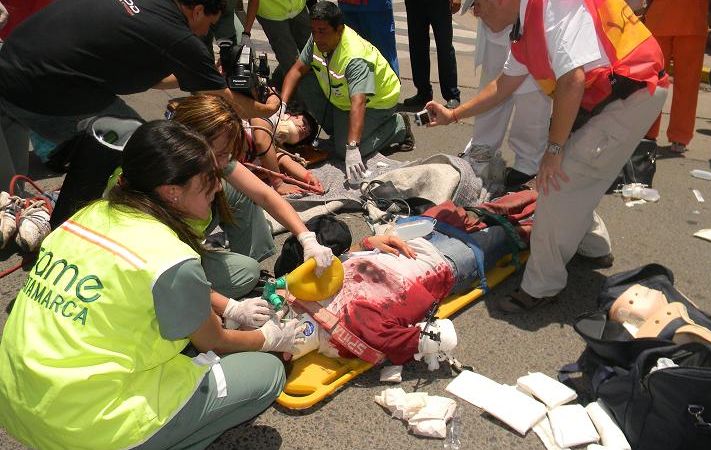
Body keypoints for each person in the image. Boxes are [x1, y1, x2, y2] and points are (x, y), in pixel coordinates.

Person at [0, 120, 304, 450]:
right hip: (87, 428)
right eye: (208, 181)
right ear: (171, 191)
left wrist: (226, 309)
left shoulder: (86, 216)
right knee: (266, 372)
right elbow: (213, 342)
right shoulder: (170, 256)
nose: (219, 188)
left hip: (18, 403)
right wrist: (270, 337)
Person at [427, 0, 668, 311]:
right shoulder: (526, 26)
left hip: (631, 90)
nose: (476, 15)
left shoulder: (548, 7)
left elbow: (572, 80)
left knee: (557, 184)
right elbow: (503, 85)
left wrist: (553, 151)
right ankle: (594, 247)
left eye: (477, 6)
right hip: (615, 93)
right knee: (574, 179)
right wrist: (454, 114)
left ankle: (541, 287)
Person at [0, 0, 280, 191]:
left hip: (11, 60)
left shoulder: (150, 8)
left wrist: (200, 78)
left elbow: (157, 78)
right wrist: (268, 110)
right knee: (145, 151)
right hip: (41, 88)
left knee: (10, 189)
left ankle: (16, 210)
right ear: (196, 11)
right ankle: (73, 222)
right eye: (209, 23)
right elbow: (228, 103)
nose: (207, 32)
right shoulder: (179, 37)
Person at [271, 191, 535, 366]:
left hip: (404, 240)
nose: (278, 308)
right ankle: (554, 214)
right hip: (443, 262)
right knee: (511, 233)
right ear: (288, 349)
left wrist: (367, 242)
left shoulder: (303, 288)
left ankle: (533, 195)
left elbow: (342, 261)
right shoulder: (346, 333)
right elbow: (437, 338)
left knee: (459, 212)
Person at [168, 95, 333, 298]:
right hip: (166, 265)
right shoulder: (163, 186)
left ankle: (245, 265)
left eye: (226, 154)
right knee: (246, 274)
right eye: (220, 153)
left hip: (182, 243)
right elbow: (161, 273)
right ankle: (239, 280)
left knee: (236, 189)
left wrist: (307, 238)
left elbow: (264, 194)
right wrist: (230, 309)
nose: (223, 168)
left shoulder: (199, 157)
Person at [281, 1, 414, 183]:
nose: (317, 37)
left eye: (322, 31)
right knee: (305, 80)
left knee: (344, 150)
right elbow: (296, 70)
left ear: (339, 30)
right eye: (314, 31)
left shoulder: (354, 57)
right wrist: (281, 107)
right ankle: (342, 131)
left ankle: (398, 126)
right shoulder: (316, 41)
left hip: (377, 102)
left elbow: (358, 103)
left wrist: (352, 148)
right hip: (342, 98)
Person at [458, 2, 550, 189]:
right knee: (493, 83)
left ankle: (528, 163)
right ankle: (482, 149)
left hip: (532, 20)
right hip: (501, 22)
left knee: (532, 96)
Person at [643, 0, 709, 154]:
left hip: (664, 17)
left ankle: (649, 132)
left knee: (654, 80)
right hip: (689, 19)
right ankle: (679, 135)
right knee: (685, 83)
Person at [402, 0, 462, 110]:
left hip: (440, 3)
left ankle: (452, 95)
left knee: (445, 46)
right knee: (417, 46)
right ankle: (423, 93)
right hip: (414, 3)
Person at [243, 0, 311, 83]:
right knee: (289, 60)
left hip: (299, 8)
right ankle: (297, 90)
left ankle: (278, 80)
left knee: (311, 51)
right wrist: (246, 33)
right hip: (272, 16)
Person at [339, 0, 400, 76]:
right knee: (353, 56)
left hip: (374, 7)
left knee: (383, 56)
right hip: (348, 6)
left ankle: (390, 86)